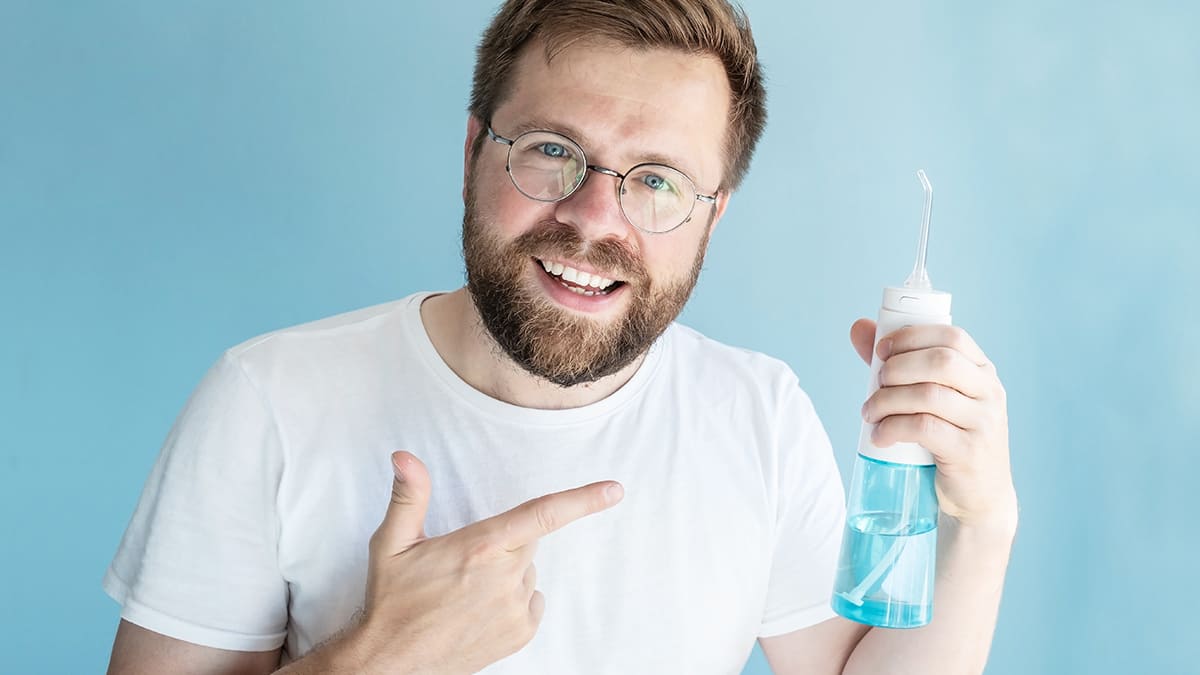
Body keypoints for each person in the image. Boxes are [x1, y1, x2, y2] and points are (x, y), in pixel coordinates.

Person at [104, 1, 1018, 673]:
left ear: (712, 218)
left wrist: (983, 521)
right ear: (472, 154)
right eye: (552, 149)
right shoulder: (268, 401)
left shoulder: (757, 417)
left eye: (657, 180)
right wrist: (373, 661)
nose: (592, 219)